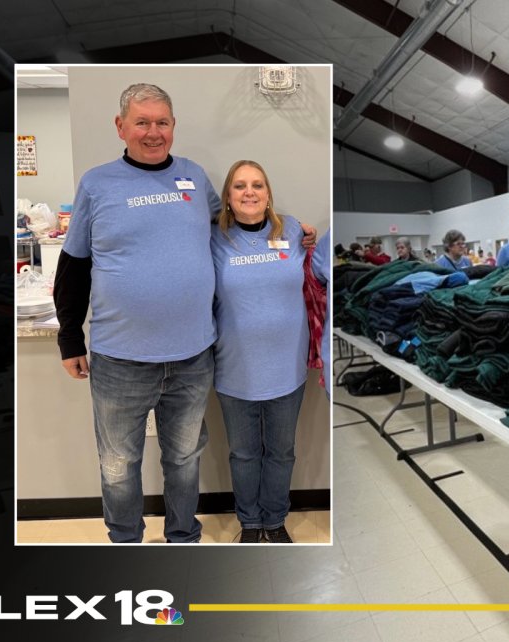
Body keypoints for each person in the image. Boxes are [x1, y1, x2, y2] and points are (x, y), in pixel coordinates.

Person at [53, 83, 315, 543]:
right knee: (118, 465)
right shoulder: (97, 183)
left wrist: (294, 230)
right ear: (120, 126)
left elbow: (233, 223)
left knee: (184, 459)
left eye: (162, 122)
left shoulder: (194, 177)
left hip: (193, 357)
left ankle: (183, 538)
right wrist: (69, 336)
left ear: (173, 126)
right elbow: (73, 263)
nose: (153, 132)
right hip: (120, 359)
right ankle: (125, 542)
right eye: (142, 122)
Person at [211, 160, 327, 544]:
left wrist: (313, 235)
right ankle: (249, 523)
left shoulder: (292, 230)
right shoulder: (213, 237)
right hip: (234, 369)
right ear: (228, 196)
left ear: (268, 193)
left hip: (287, 369)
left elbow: (316, 271)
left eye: (257, 185)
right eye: (240, 185)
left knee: (281, 452)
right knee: (243, 454)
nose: (249, 192)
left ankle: (275, 521)